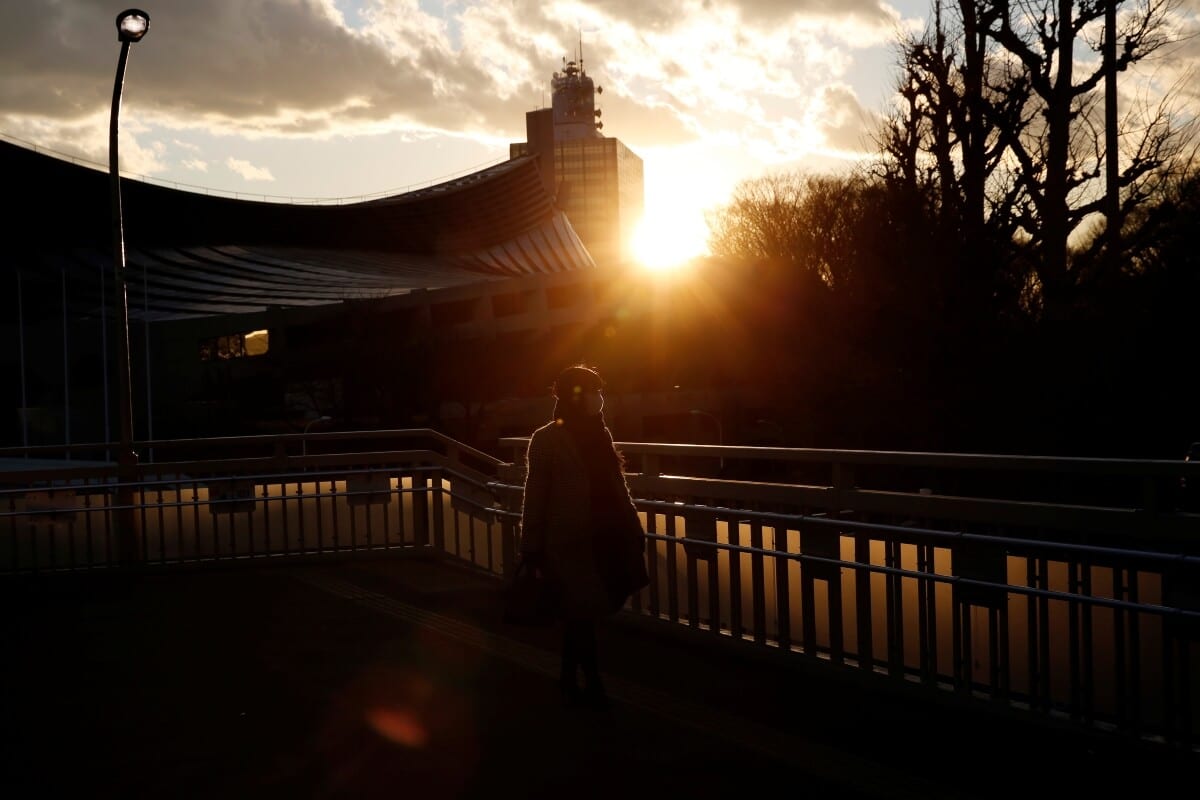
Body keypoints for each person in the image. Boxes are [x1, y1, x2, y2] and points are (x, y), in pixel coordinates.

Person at [518, 364, 649, 709]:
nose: (597, 398)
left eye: (598, 390)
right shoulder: (546, 439)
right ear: (574, 396)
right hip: (569, 541)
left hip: (606, 535)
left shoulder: (599, 433)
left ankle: (568, 677)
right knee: (582, 612)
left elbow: (617, 485)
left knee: (583, 612)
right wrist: (531, 546)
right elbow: (536, 496)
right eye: (591, 390)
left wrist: (634, 527)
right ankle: (591, 682)